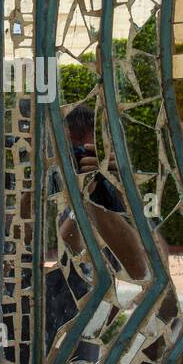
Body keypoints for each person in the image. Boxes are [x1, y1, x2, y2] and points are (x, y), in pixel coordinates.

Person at [56, 104, 149, 280]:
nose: (78, 158)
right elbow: (65, 246)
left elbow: (141, 270)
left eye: (87, 151)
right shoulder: (49, 183)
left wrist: (122, 184)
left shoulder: (108, 188)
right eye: (71, 151)